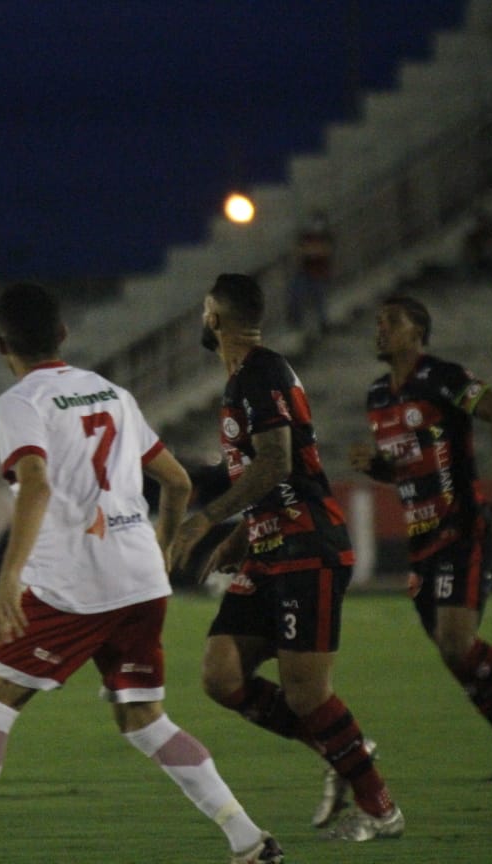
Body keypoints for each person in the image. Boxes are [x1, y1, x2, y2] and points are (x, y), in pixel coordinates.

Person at [0, 282, 284, 864]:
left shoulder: (20, 403)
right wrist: (164, 547)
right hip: (141, 580)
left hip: (74, 587)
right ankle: (248, 840)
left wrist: (8, 577)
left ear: (2, 345)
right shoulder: (110, 392)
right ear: (63, 336)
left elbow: (36, 486)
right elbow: (177, 482)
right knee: (144, 719)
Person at [170, 273, 402, 842]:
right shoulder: (244, 380)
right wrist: (241, 536)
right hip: (270, 546)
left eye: (205, 311)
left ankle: (380, 808)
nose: (203, 320)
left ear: (216, 318)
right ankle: (343, 750)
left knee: (306, 693)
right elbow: (277, 475)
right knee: (222, 675)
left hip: (306, 545)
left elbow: (277, 464)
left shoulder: (261, 373)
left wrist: (206, 518)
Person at [348, 294, 492, 772]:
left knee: (457, 642)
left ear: (417, 330)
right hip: (422, 541)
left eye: (390, 321)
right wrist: (379, 467)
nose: (380, 330)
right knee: (452, 653)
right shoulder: (377, 394)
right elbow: (410, 470)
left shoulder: (444, 378)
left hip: (462, 527)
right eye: (377, 322)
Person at [287, 211, 334, 338]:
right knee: (296, 296)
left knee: (319, 301)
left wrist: (311, 252)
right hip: (305, 273)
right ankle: (298, 323)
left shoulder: (325, 238)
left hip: (318, 274)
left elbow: (321, 253)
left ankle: (323, 325)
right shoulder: (306, 237)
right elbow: (301, 253)